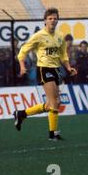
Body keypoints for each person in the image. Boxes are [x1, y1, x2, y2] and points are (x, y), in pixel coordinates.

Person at [13, 8, 77, 140]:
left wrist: (68, 67)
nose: (53, 21)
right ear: (45, 21)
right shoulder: (39, 36)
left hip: (56, 69)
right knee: (55, 102)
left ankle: (21, 114)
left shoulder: (59, 36)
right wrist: (22, 66)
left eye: (55, 18)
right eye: (50, 18)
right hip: (44, 69)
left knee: (52, 104)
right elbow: (23, 50)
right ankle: (52, 133)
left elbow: (63, 54)